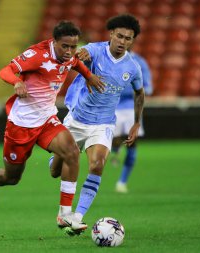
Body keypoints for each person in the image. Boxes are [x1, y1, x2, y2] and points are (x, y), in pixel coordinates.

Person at [0, 21, 105, 234]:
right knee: (12, 178)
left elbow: (74, 63)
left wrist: (88, 75)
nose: (70, 51)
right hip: (21, 125)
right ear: (54, 42)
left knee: (72, 152)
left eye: (73, 47)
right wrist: (16, 82)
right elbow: (5, 70)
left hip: (46, 119)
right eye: (65, 46)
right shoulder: (37, 54)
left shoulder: (69, 54)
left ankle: (64, 214)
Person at [49, 14, 145, 234]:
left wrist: (136, 123)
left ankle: (75, 217)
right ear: (111, 34)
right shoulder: (95, 50)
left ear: (132, 41)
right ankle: (55, 160)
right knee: (55, 171)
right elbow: (81, 54)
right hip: (77, 119)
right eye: (119, 36)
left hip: (102, 124)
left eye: (128, 39)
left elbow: (139, 94)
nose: (122, 42)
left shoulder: (132, 67)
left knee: (97, 165)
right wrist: (81, 55)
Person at [111, 49, 153, 193]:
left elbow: (148, 87)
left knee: (132, 143)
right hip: (112, 106)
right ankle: (115, 150)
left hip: (131, 107)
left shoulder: (139, 62)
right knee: (113, 140)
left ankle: (122, 182)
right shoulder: (108, 59)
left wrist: (133, 90)